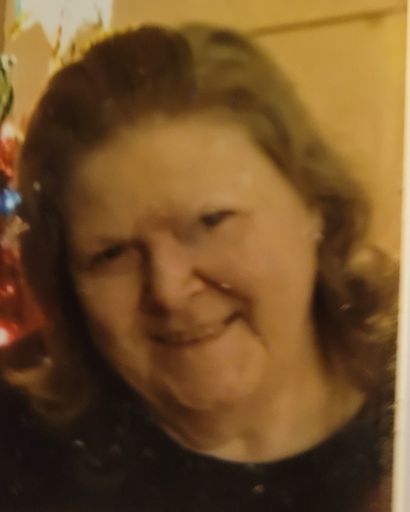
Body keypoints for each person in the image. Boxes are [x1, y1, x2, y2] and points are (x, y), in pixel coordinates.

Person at [0, 23, 397, 512]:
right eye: (112, 254)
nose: (169, 289)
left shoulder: (395, 415)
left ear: (314, 203)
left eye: (211, 222)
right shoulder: (18, 444)